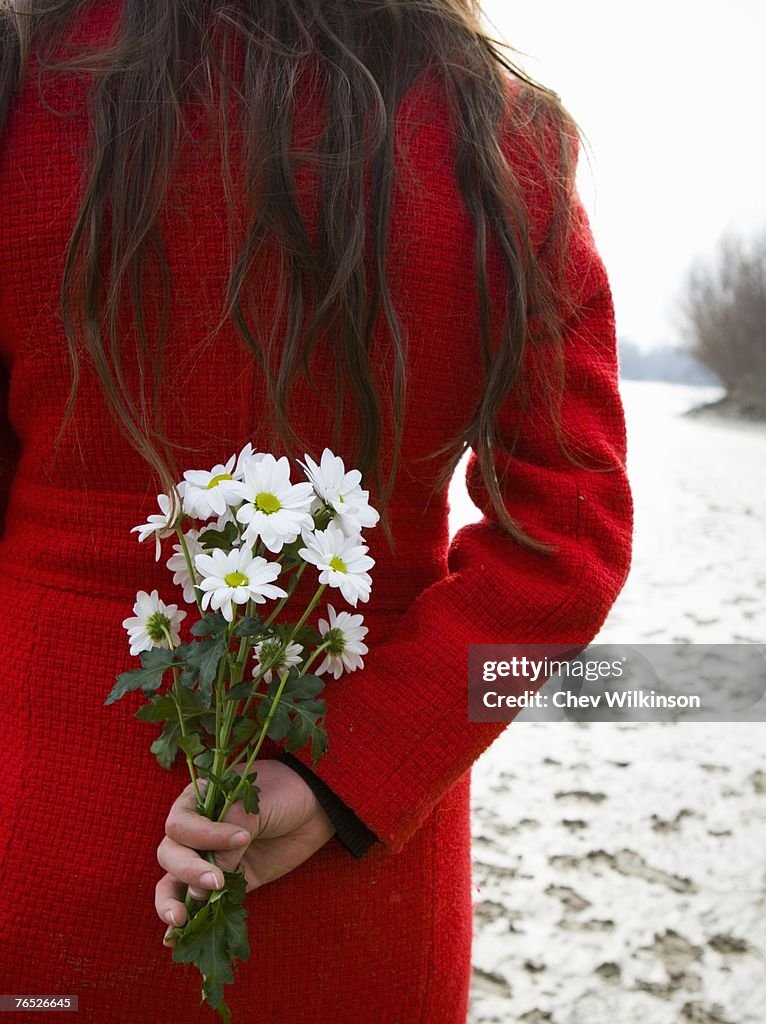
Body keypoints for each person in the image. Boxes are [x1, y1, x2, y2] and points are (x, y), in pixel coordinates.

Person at [0, 0, 633, 1020]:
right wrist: (352, 774)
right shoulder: (500, 138)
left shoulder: (25, 86)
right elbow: (571, 542)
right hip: (356, 889)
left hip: (32, 846)